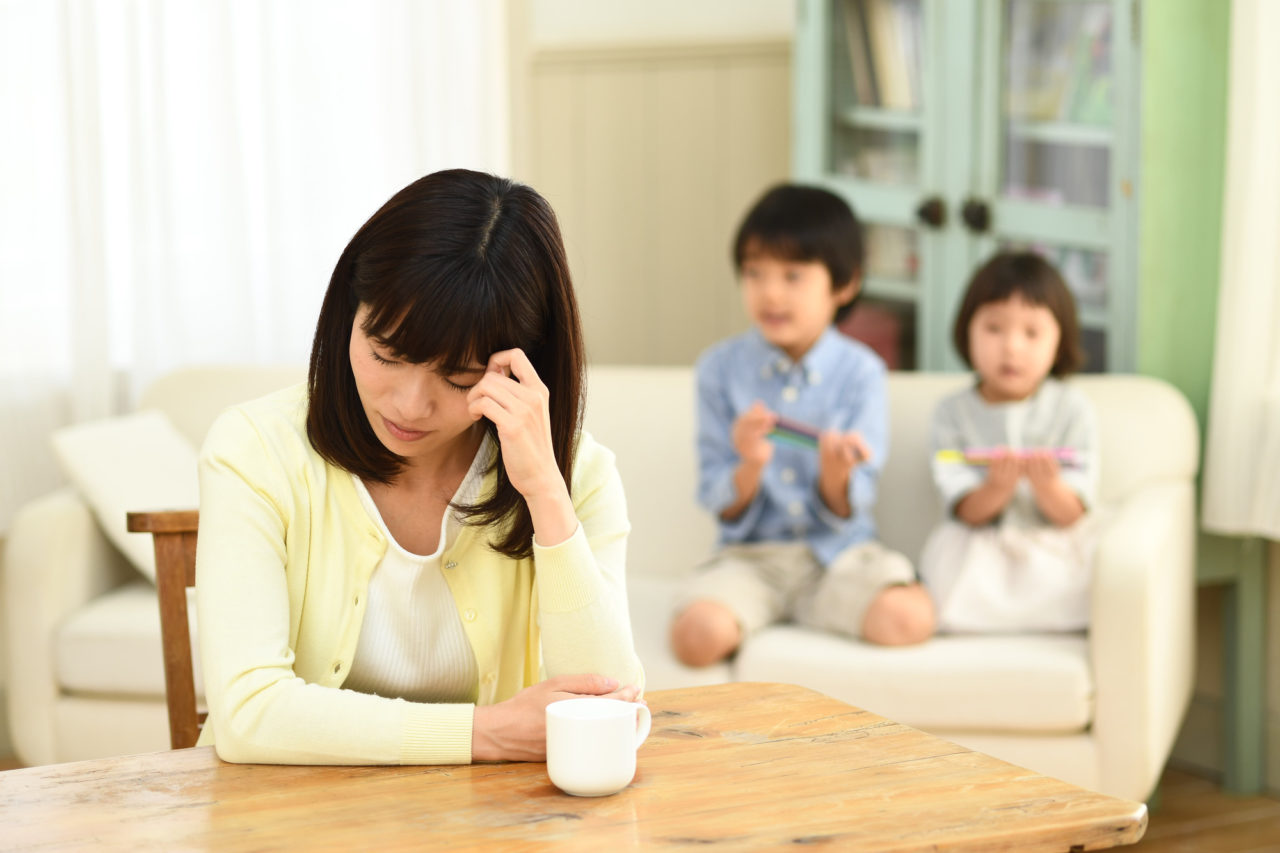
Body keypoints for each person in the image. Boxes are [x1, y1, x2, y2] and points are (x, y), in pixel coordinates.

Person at [194, 169, 644, 766]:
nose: (409, 406)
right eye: (385, 353)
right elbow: (248, 714)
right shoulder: (255, 449)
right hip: (284, 815)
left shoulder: (576, 474)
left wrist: (546, 495)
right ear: (347, 313)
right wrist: (486, 734)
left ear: (520, 365)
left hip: (489, 825)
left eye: (458, 377)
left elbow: (608, 711)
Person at [669, 183, 935, 667]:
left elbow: (855, 501)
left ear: (845, 284)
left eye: (793, 275)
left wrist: (836, 478)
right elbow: (718, 499)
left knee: (910, 617)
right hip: (750, 561)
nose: (770, 293)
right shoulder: (718, 370)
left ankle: (812, 609)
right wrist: (749, 466)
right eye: (755, 273)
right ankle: (764, 610)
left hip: (836, 559)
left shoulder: (862, 373)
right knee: (696, 636)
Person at [919, 251, 1099, 633]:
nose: (1012, 347)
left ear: (1059, 341)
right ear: (967, 330)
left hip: (1052, 547)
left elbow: (1073, 514)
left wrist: (1048, 485)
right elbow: (965, 510)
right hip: (978, 549)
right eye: (994, 328)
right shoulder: (951, 412)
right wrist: (996, 488)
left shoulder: (1073, 409)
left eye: (1031, 333)